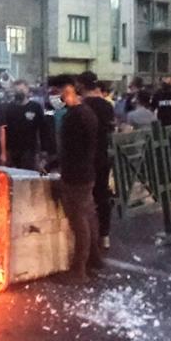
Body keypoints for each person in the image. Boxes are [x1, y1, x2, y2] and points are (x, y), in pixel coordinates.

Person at [51, 75, 101, 280]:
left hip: (75, 175)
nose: (56, 97)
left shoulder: (74, 116)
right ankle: (95, 259)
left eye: (58, 92)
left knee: (79, 221)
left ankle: (79, 270)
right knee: (88, 217)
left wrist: (54, 165)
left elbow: (70, 149)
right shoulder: (87, 112)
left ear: (68, 91)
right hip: (85, 172)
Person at [77, 72, 115, 255]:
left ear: (82, 86)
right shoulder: (107, 106)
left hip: (85, 158)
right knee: (102, 196)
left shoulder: (81, 107)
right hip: (103, 156)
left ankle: (88, 241)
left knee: (84, 200)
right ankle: (104, 235)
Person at [4, 80, 47, 171]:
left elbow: (43, 129)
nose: (19, 92)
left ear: (27, 90)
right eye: (17, 90)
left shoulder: (35, 107)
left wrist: (44, 150)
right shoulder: (8, 108)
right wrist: (5, 150)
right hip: (12, 149)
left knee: (28, 174)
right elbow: (4, 130)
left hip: (30, 149)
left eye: (22, 90)